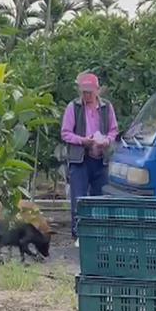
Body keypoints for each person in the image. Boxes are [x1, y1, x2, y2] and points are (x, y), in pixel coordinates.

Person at [60, 72, 118, 237]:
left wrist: (106, 140)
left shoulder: (107, 107)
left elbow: (114, 130)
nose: (86, 95)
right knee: (78, 200)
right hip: (80, 159)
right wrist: (83, 140)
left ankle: (98, 235)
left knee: (100, 200)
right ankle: (78, 235)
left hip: (101, 159)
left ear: (97, 90)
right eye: (83, 91)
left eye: (89, 91)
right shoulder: (74, 107)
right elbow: (65, 133)